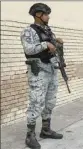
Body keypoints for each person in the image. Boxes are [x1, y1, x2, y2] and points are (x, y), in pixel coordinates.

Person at [20, 3, 63, 149]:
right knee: (36, 102)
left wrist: (57, 44)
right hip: (38, 71)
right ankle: (29, 136)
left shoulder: (49, 31)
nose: (48, 17)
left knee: (50, 101)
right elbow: (29, 49)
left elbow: (54, 49)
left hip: (51, 70)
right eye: (46, 14)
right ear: (38, 15)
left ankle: (45, 130)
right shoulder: (28, 31)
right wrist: (45, 45)